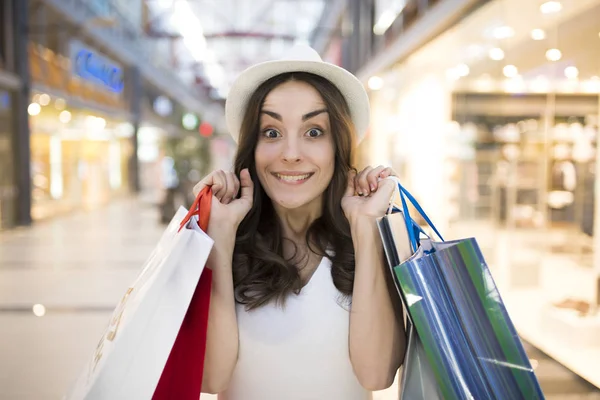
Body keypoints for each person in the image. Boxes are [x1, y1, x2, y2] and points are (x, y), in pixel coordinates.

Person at [192, 45, 406, 400]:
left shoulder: (371, 239)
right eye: (272, 132)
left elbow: (377, 373)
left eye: (313, 132)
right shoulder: (225, 241)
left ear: (339, 146)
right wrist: (219, 238)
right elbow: (211, 380)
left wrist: (366, 229)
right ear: (252, 146)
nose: (290, 153)